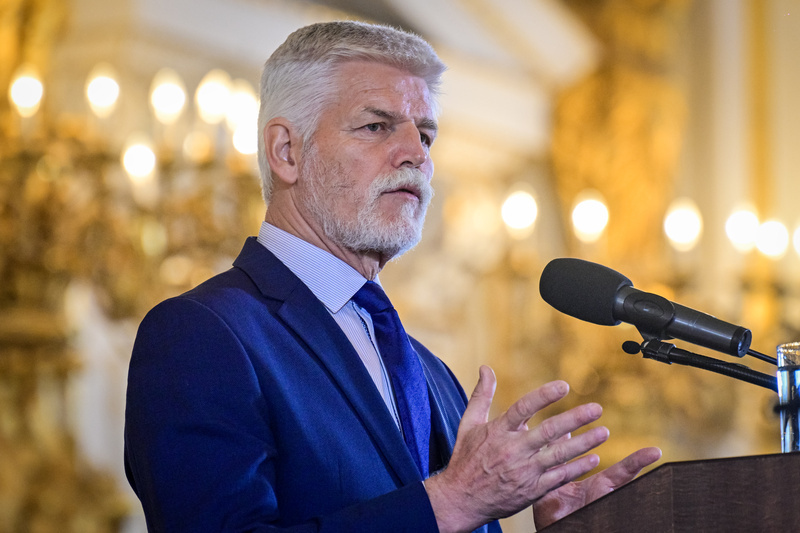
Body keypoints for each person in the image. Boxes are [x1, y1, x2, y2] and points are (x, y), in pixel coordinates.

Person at [124, 20, 661, 532]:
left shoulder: (431, 372)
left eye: (425, 135)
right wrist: (452, 501)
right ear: (286, 152)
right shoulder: (201, 335)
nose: (415, 156)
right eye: (376, 126)